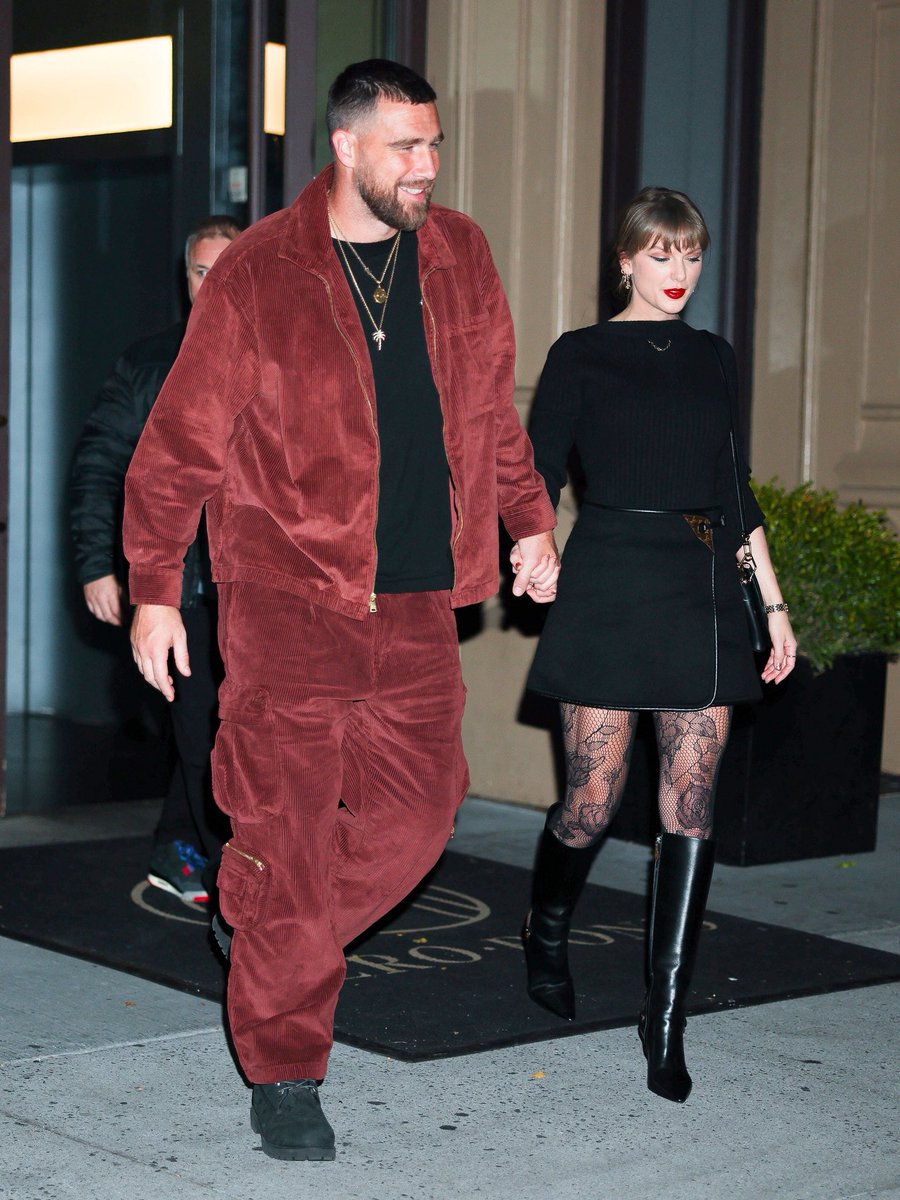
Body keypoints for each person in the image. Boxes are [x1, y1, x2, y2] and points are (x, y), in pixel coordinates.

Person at [122, 59, 559, 1162]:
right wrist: (155, 589)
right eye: (406, 146)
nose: (427, 166)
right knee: (289, 838)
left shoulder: (460, 254)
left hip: (415, 603)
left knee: (419, 817)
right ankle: (286, 1070)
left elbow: (492, 411)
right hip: (286, 605)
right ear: (347, 145)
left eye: (435, 144)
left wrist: (528, 520)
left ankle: (262, 924)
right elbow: (179, 444)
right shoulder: (260, 271)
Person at [521, 187, 797, 1104]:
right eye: (661, 254)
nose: (680, 272)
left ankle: (665, 1017)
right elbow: (536, 467)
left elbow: (735, 487)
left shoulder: (715, 358)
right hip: (608, 580)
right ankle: (545, 928)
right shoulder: (580, 352)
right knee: (591, 803)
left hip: (699, 587)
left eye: (692, 255)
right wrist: (534, 546)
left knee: (690, 804)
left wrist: (773, 607)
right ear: (626, 260)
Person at [70, 215, 242, 903]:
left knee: (234, 727)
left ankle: (177, 849)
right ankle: (235, 882)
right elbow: (99, 465)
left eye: (227, 268)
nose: (214, 282)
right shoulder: (149, 362)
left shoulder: (277, 353)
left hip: (257, 583)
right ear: (186, 276)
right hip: (182, 586)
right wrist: (97, 565)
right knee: (203, 731)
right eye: (202, 270)